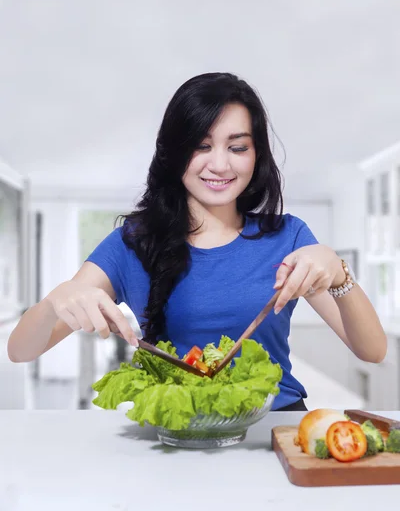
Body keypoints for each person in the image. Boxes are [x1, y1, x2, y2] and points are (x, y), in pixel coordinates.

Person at [8, 72, 387, 411]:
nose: (220, 165)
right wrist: (56, 300)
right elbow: (21, 350)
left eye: (237, 147)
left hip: (274, 433)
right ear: (174, 154)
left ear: (256, 156)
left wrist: (337, 272)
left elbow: (372, 350)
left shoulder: (288, 236)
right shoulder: (131, 243)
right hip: (175, 435)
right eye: (201, 146)